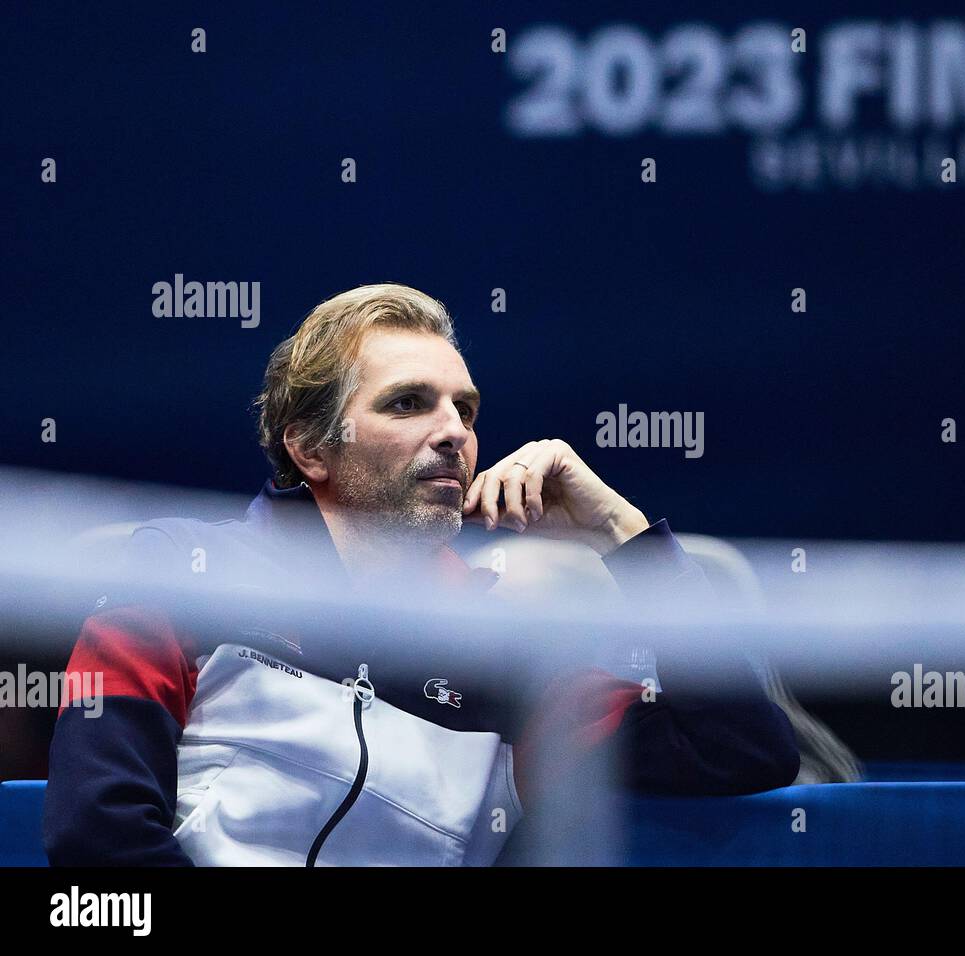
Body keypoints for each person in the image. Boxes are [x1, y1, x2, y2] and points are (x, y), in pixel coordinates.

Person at [42, 283, 798, 865]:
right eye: (409, 403)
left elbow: (741, 749)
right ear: (310, 447)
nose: (453, 433)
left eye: (465, 410)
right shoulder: (181, 574)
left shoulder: (508, 650)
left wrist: (620, 534)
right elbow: (97, 841)